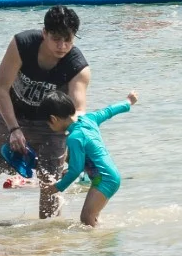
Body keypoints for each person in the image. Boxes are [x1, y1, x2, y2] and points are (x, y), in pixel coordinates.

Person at [0, 6, 91, 222]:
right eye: (56, 39)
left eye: (68, 40)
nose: (62, 46)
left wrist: (77, 142)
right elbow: (1, 88)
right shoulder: (22, 44)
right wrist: (14, 128)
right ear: (44, 33)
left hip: (51, 125)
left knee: (50, 180)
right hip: (10, 113)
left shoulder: (77, 66)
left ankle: (46, 238)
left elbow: (77, 110)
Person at [50, 90, 137, 226]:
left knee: (86, 218)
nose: (49, 127)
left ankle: (100, 244)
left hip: (104, 179)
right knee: (93, 217)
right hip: (110, 175)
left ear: (53, 119)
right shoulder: (89, 119)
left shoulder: (74, 138)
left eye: (48, 124)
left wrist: (58, 187)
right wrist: (128, 102)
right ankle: (103, 244)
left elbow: (75, 170)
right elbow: (109, 111)